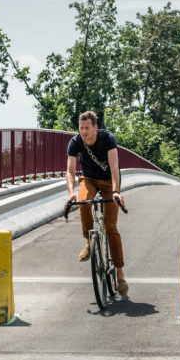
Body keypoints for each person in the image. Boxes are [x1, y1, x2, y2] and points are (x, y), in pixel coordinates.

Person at [66, 111, 128, 295]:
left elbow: (115, 166)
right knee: (84, 202)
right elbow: (70, 171)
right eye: (81, 128)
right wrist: (70, 192)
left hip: (109, 181)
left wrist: (116, 191)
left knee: (110, 226)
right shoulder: (75, 142)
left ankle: (119, 273)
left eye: (87, 128)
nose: (83, 132)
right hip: (89, 179)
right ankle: (89, 242)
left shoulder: (107, 138)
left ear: (95, 127)